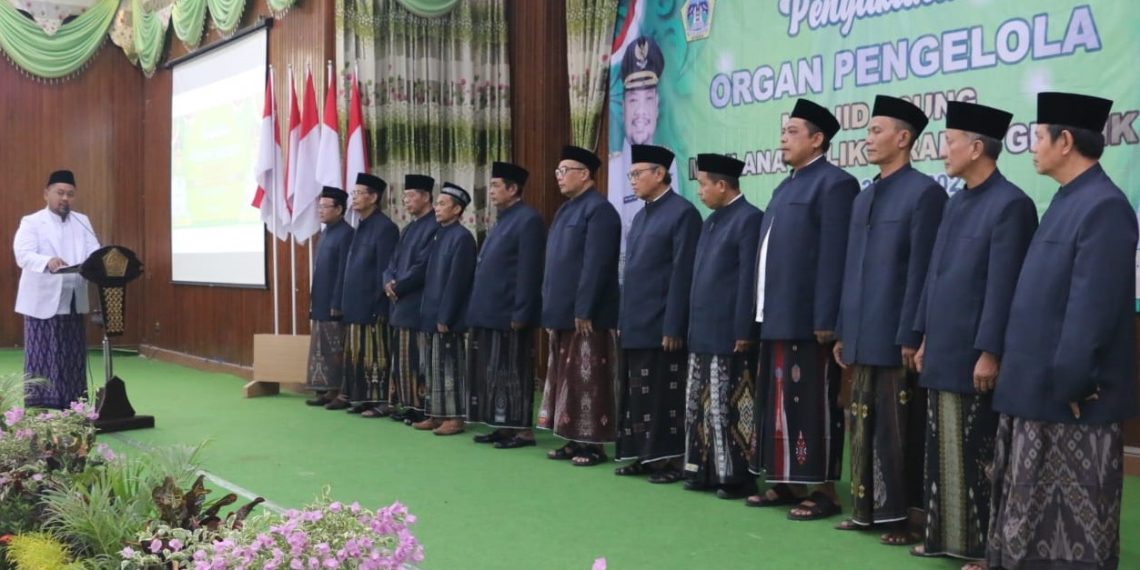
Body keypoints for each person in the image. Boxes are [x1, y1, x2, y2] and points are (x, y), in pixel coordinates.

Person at [986, 92, 1136, 570]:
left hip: (1070, 402)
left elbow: (1092, 310)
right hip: (1035, 393)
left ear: (1065, 141)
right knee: (1028, 527)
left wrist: (1071, 383)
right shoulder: (1069, 200)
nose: (1031, 147)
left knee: (1070, 535)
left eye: (1037, 137)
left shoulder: (1104, 207)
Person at [909, 102, 1038, 564]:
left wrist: (990, 351)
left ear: (977, 147)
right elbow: (934, 275)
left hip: (974, 354)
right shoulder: (956, 199)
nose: (943, 151)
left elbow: (1004, 287)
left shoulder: (1012, 205)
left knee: (979, 454)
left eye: (950, 142)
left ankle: (986, 547)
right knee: (941, 448)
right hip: (941, 347)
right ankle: (946, 536)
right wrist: (922, 336)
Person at [832, 95, 946, 545]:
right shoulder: (865, 196)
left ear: (904, 138)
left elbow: (922, 272)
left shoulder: (925, 194)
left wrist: (911, 332)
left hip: (896, 334)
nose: (868, 138)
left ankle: (899, 516)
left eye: (877, 130)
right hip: (860, 331)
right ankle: (864, 510)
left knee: (897, 432)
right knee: (860, 424)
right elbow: (849, 267)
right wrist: (843, 327)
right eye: (868, 130)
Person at [747, 99, 858, 520]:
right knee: (778, 403)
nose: (783, 138)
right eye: (783, 131)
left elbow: (834, 255)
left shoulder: (835, 184)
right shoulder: (784, 186)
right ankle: (787, 481)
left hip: (810, 322)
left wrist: (827, 319)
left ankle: (824, 489)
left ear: (817, 139)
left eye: (793, 131)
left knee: (814, 404)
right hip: (776, 315)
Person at [614, 144, 700, 483]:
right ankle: (644, 455)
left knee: (666, 393)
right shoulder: (640, 215)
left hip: (663, 324)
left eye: (638, 174)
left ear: (660, 174)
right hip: (635, 321)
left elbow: (682, 274)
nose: (632, 180)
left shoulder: (682, 213)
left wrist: (674, 324)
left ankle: (671, 459)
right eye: (631, 174)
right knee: (637, 393)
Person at [684, 153, 764, 500]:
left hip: (730, 333)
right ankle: (703, 470)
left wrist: (743, 329)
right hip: (703, 330)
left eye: (703, 185)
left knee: (729, 406)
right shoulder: (711, 221)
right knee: (699, 405)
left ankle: (734, 476)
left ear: (721, 185)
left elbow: (748, 280)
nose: (699, 192)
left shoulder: (749, 219)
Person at [538, 145, 621, 467]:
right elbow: (555, 264)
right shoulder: (566, 209)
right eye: (557, 171)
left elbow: (596, 265)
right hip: (562, 312)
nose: (558, 177)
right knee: (567, 379)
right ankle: (573, 438)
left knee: (589, 379)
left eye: (564, 171)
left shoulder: (600, 210)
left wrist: (584, 308)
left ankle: (593, 444)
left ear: (584, 174)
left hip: (588, 316)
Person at [466, 162, 546, 449]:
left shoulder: (529, 220)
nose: (492, 192)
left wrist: (522, 311)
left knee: (513, 371)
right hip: (490, 310)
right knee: (492, 372)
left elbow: (529, 270)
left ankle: (521, 430)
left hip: (510, 312)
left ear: (513, 189)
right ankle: (500, 425)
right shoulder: (503, 218)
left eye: (496, 186)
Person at [13, 169, 101, 409]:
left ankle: (74, 403)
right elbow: (23, 255)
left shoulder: (82, 221)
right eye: (59, 193)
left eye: (70, 194)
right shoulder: (32, 222)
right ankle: (40, 405)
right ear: (46, 194)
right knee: (43, 353)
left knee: (72, 353)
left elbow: (95, 250)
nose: (65, 198)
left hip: (73, 297)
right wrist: (47, 261)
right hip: (43, 300)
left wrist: (93, 263)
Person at [326, 174, 399, 413]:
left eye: (358, 193)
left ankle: (381, 402)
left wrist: (380, 307)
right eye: (353, 193)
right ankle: (361, 398)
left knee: (376, 356)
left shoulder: (385, 228)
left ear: (374, 197)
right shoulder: (360, 225)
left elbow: (384, 271)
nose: (354, 198)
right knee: (357, 355)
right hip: (355, 305)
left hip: (372, 306)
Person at [607, 36, 679, 269]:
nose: (640, 112)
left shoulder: (672, 165)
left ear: (657, 105)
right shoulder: (615, 167)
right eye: (633, 100)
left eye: (647, 99)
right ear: (623, 106)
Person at [413, 183, 476, 436]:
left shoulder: (462, 238)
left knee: (450, 367)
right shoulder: (440, 234)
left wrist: (446, 315)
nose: (437, 209)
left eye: (442, 204)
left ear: (457, 209)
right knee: (433, 366)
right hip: (431, 312)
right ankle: (436, 413)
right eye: (436, 204)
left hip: (448, 316)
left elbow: (457, 282)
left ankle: (454, 417)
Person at [381, 174, 440, 422]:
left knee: (418, 360)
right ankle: (408, 404)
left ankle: (421, 407)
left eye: (411, 195)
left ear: (426, 197)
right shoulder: (408, 228)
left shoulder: (434, 226)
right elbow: (392, 261)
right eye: (404, 196)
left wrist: (400, 285)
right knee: (403, 359)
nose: (406, 200)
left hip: (417, 302)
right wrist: (387, 280)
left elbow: (423, 266)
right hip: (399, 301)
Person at [304, 187, 354, 406]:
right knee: (321, 348)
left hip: (335, 303)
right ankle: (326, 389)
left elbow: (344, 271)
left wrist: (337, 302)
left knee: (335, 348)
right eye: (320, 206)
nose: (320, 211)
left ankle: (338, 390)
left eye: (325, 207)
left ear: (340, 209)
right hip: (321, 300)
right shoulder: (326, 232)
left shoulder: (346, 233)